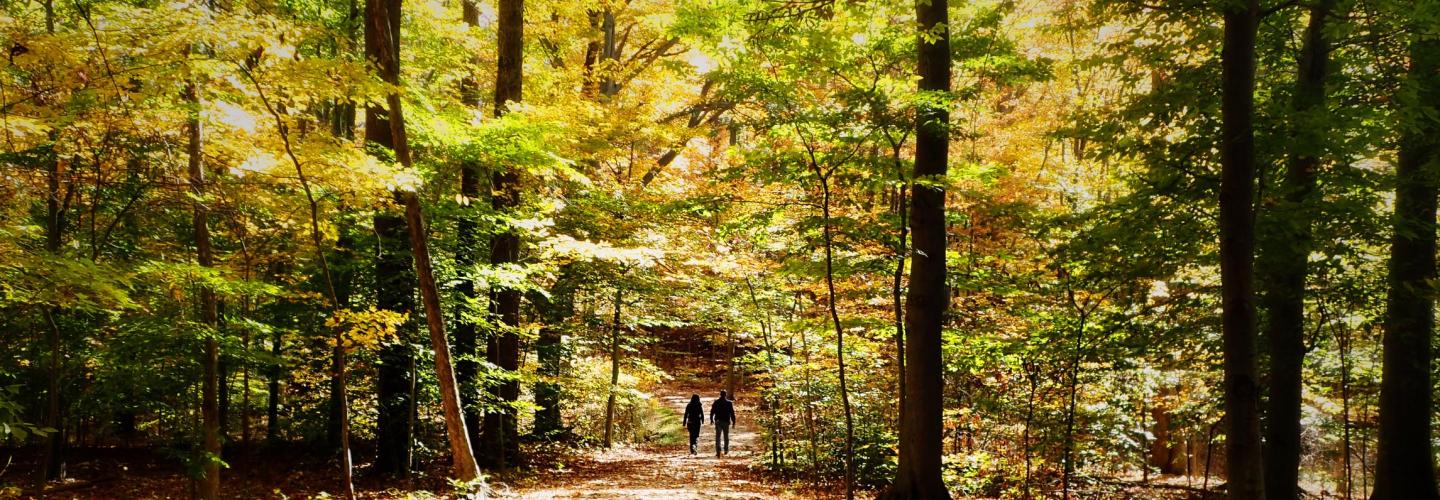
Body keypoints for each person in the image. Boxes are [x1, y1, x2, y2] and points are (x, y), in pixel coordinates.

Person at [710, 390, 736, 456]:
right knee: (726, 436)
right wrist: (733, 422)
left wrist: (711, 419)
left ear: (720, 394)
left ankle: (718, 450)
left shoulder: (716, 402)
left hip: (718, 421)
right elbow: (732, 413)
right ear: (725, 395)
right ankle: (726, 450)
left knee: (718, 436)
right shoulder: (729, 403)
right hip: (726, 421)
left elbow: (712, 411)